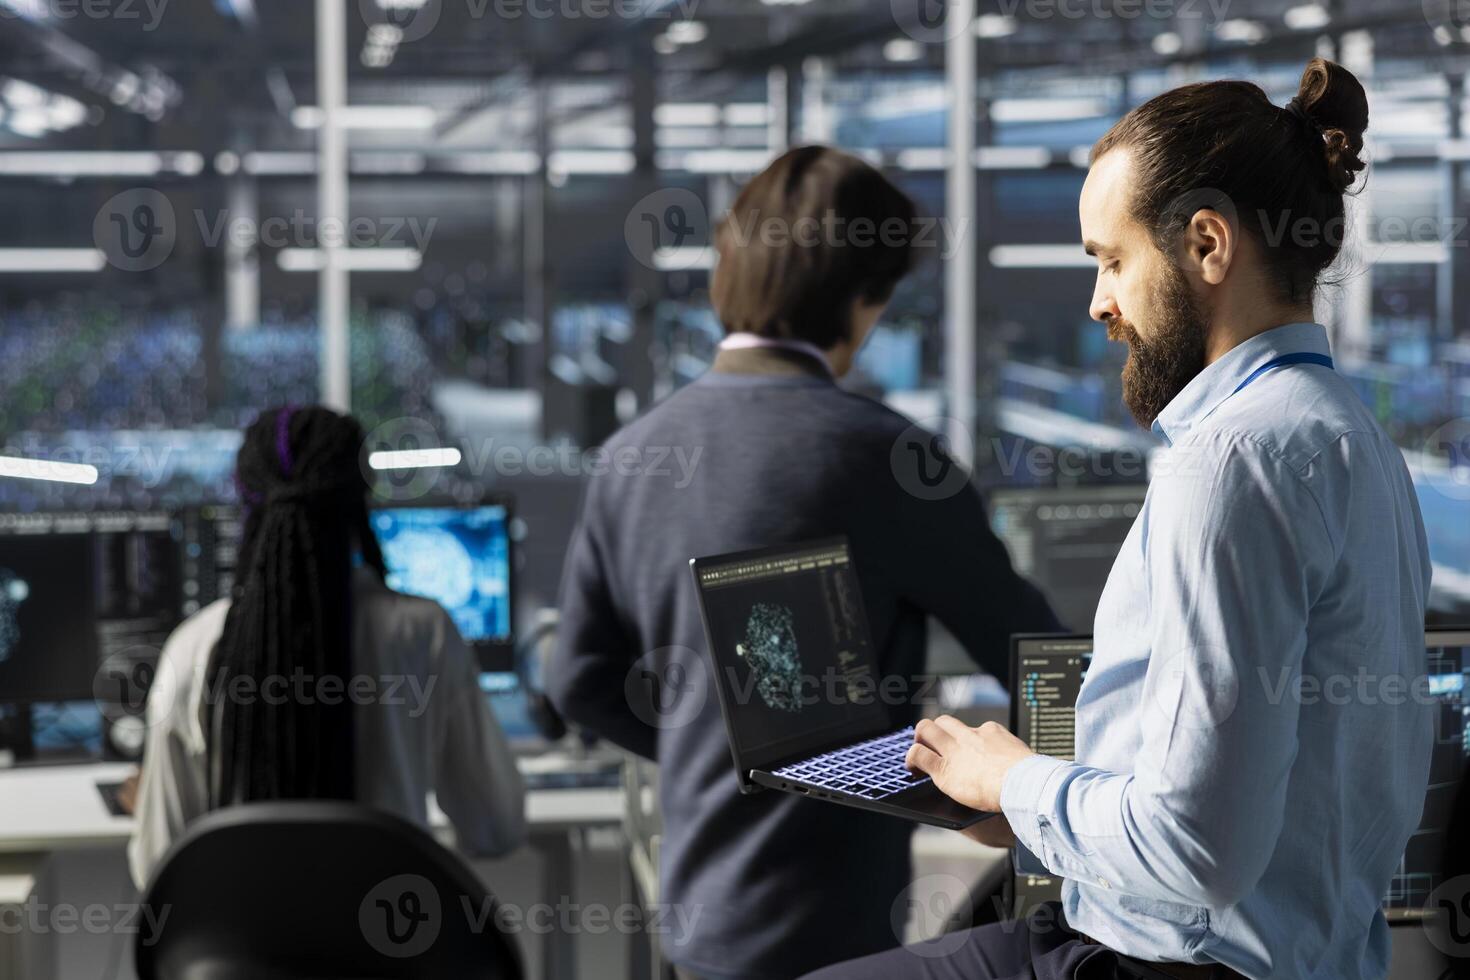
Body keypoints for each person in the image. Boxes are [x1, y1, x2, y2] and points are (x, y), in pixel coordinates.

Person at [807, 58, 1433, 980]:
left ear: (1208, 245)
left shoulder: (1231, 461)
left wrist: (1010, 778)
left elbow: (1196, 850)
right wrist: (1032, 814)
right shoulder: (1354, 440)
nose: (1099, 302)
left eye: (1111, 260)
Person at [548, 145, 1059, 980]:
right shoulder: (887, 459)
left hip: (697, 930)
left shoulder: (631, 456)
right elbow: (1035, 653)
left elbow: (577, 683)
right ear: (863, 298)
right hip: (837, 938)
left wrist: (703, 747)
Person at [128, 406, 525, 888]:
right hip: (392, 950)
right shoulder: (425, 633)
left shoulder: (192, 649)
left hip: (244, 958)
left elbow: (157, 866)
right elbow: (496, 829)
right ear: (361, 499)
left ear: (247, 502)